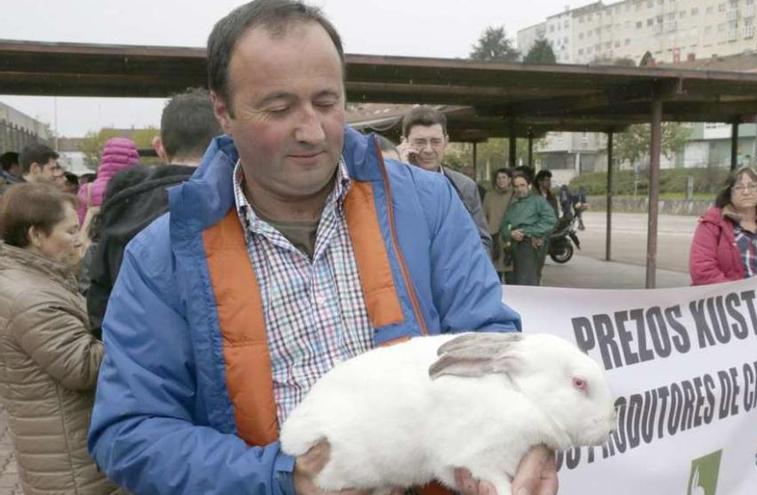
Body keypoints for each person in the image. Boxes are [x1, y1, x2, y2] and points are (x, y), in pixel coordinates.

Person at [87, 3, 551, 495]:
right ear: (223, 110)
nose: (311, 131)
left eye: (327, 103)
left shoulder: (428, 205)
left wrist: (527, 437)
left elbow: (494, 344)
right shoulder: (161, 259)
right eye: (279, 108)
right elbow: (130, 432)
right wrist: (281, 479)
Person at [0, 183, 119, 494]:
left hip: (55, 452)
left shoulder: (28, 278)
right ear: (36, 235)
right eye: (70, 231)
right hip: (71, 466)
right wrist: (142, 332)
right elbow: (85, 366)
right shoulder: (30, 298)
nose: (79, 240)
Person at [84, 88, 222, 335]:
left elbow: (99, 300)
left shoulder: (121, 210)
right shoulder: (232, 206)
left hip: (132, 360)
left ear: (159, 147)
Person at [397, 106, 492, 256]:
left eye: (435, 141)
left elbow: (482, 242)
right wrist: (401, 176)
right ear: (404, 142)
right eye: (420, 142)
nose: (428, 149)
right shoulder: (390, 184)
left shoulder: (464, 187)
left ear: (446, 141)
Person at [689, 166, 757, 286]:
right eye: (739, 187)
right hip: (729, 301)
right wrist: (740, 295)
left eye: (752, 186)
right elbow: (702, 271)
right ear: (729, 193)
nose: (746, 192)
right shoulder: (712, 225)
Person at [501, 173, 558, 286]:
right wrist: (510, 233)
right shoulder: (513, 205)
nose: (519, 189)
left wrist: (529, 232)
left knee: (526, 281)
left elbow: (551, 221)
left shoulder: (538, 202)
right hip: (512, 247)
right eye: (516, 186)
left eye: (522, 185)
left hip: (528, 245)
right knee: (512, 282)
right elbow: (504, 226)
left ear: (529, 186)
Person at [76, 137, 139, 225]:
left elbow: (79, 221)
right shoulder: (139, 189)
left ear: (105, 157)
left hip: (94, 238)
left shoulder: (87, 190)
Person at [482, 168, 515, 281]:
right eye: (498, 178)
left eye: (504, 177)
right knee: (494, 277)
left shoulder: (515, 195)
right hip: (493, 240)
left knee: (511, 278)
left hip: (509, 240)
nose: (501, 180)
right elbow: (483, 216)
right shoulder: (489, 195)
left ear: (510, 179)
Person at [532, 170, 558, 284]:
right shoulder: (532, 196)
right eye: (547, 180)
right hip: (533, 236)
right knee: (532, 264)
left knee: (540, 263)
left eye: (550, 180)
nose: (549, 183)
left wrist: (550, 230)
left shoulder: (551, 197)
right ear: (539, 181)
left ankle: (537, 282)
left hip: (546, 236)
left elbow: (555, 216)